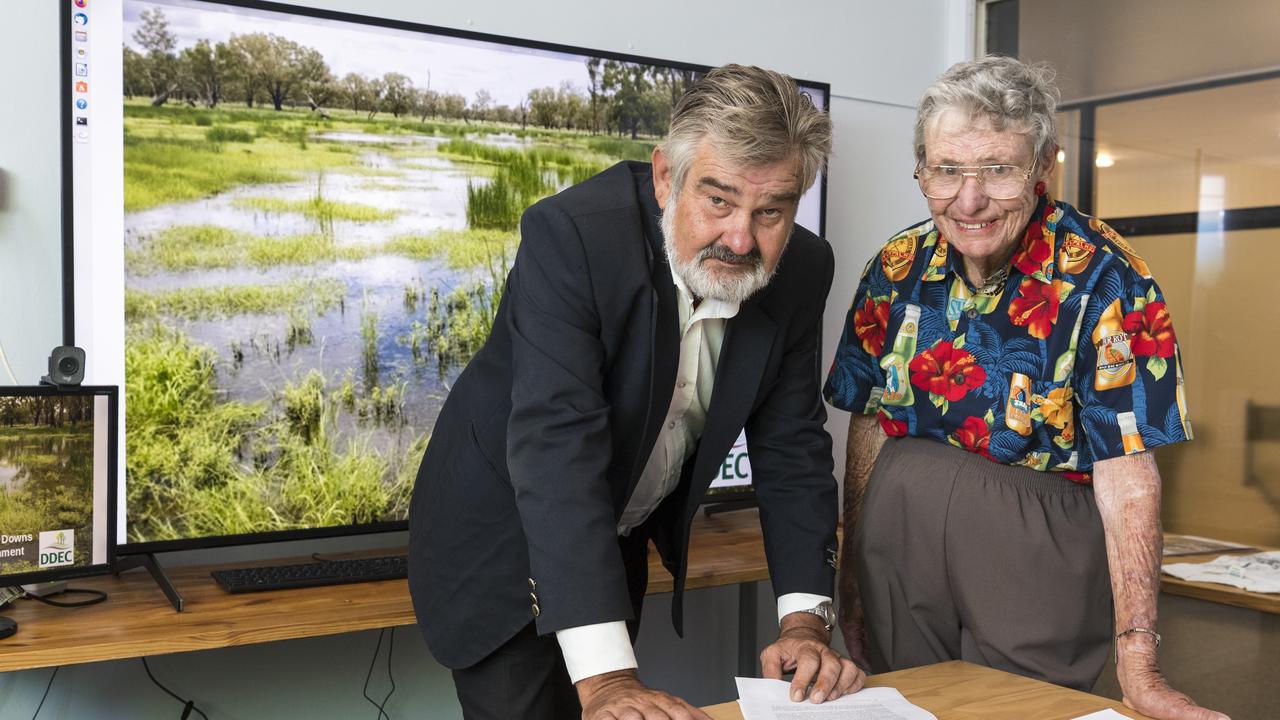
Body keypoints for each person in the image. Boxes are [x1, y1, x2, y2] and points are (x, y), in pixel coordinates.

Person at [409, 64, 863, 720]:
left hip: (610, 531)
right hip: (501, 538)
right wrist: (607, 681)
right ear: (663, 177)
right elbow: (556, 453)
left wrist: (804, 626)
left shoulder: (802, 268)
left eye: (771, 210)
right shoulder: (571, 237)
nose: (742, 238)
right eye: (719, 200)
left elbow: (791, 448)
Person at [825, 56, 1228, 720]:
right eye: (946, 170)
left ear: (1043, 168)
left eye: (998, 170)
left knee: (1018, 710)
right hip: (897, 534)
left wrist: (1140, 660)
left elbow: (1128, 470)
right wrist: (852, 575)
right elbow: (868, 423)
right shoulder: (896, 266)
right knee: (903, 704)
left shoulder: (1108, 278)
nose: (969, 198)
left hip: (1033, 539)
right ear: (923, 169)